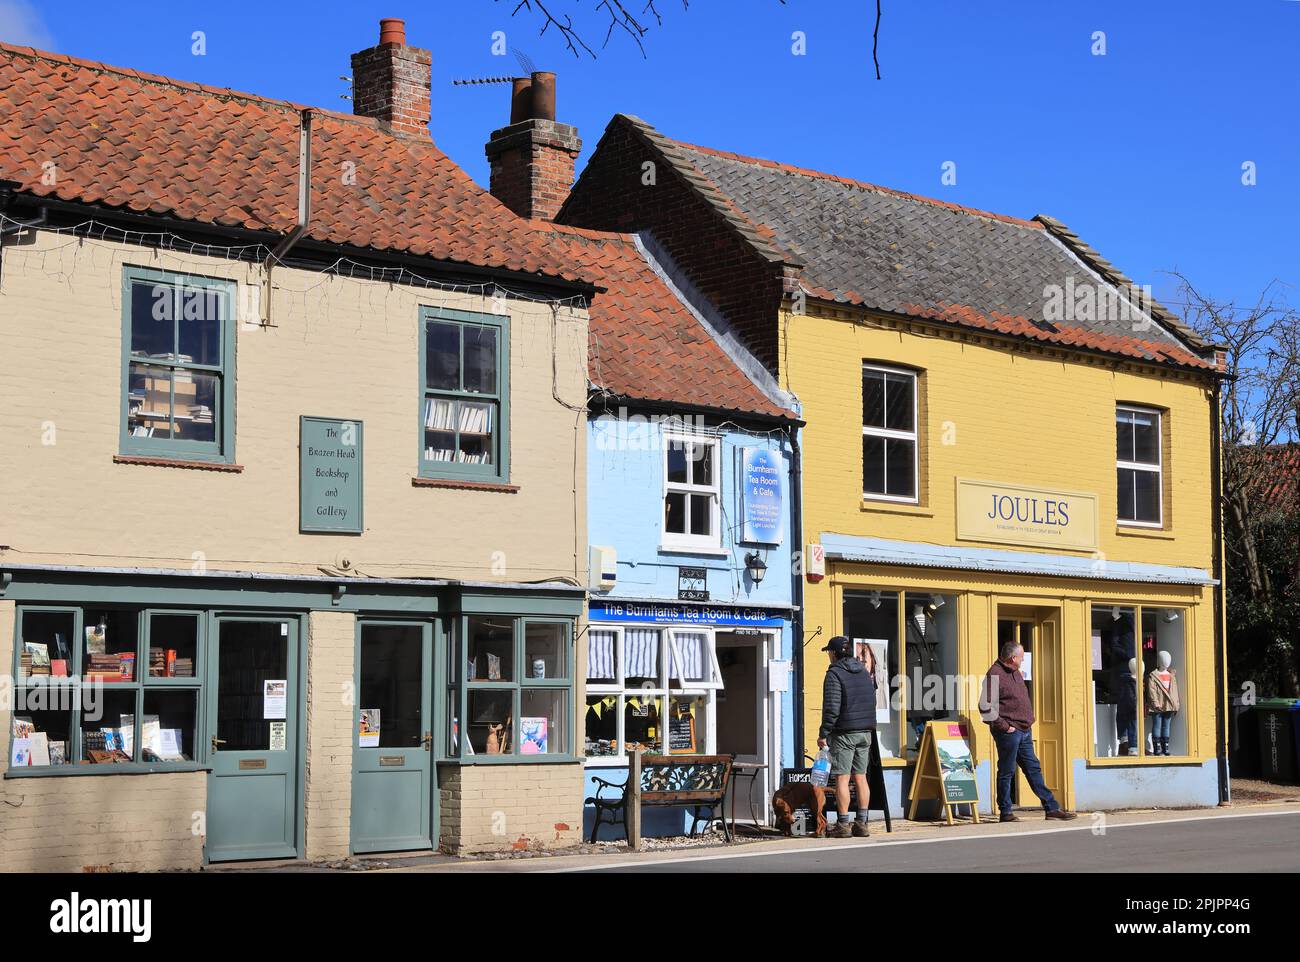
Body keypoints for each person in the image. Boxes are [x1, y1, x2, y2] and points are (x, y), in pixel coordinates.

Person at [980, 641, 1077, 822]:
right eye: (1021, 657)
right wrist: (1005, 726)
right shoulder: (994, 674)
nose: (1023, 660)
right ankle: (1006, 812)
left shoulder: (1015, 672)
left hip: (1024, 730)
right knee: (1007, 771)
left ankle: (1052, 808)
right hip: (1009, 731)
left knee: (1033, 769)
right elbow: (985, 707)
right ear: (1012, 658)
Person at [818, 635, 877, 838]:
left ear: (834, 653)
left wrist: (824, 732)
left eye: (829, 652)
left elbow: (832, 707)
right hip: (865, 731)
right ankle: (862, 823)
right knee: (860, 777)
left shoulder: (834, 674)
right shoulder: (863, 671)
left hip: (844, 732)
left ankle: (843, 825)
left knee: (842, 778)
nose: (829, 656)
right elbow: (872, 701)